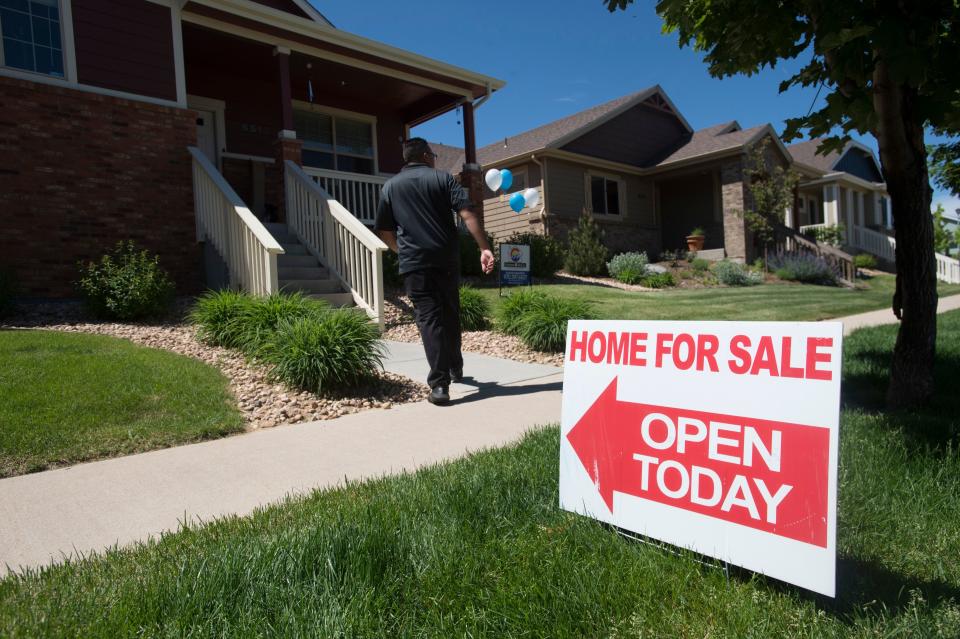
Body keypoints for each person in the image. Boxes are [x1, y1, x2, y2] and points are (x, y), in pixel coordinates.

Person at [375, 138, 494, 405]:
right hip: (445, 260)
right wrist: (484, 248)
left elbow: (384, 229)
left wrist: (398, 250)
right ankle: (455, 366)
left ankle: (440, 386)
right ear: (427, 156)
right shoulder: (444, 180)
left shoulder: (391, 186)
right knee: (450, 311)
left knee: (429, 318)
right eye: (434, 155)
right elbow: (468, 214)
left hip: (414, 263)